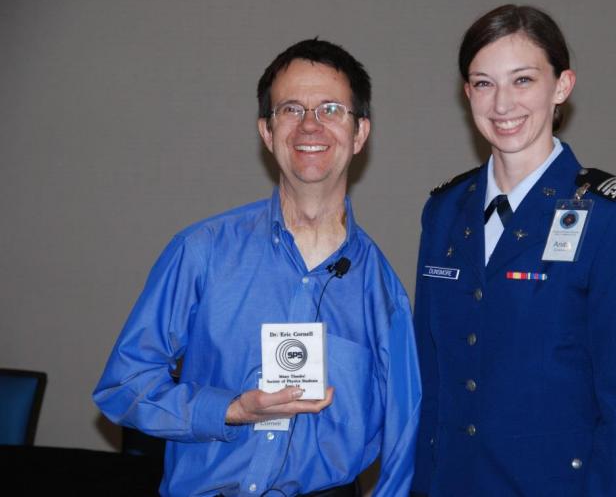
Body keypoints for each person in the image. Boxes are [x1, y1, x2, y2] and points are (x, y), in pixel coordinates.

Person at [94, 38, 421, 497]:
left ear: (360, 132)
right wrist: (229, 410)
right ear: (267, 132)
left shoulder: (382, 291)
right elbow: (122, 387)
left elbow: (405, 437)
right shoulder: (201, 252)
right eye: (291, 109)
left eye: (331, 109)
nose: (311, 125)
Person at [411, 5, 616, 496]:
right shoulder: (444, 212)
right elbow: (430, 383)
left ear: (562, 86)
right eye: (484, 83)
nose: (502, 104)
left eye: (522, 80)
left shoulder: (612, 216)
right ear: (467, 93)